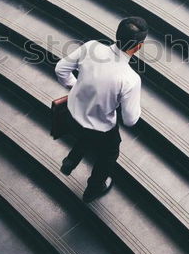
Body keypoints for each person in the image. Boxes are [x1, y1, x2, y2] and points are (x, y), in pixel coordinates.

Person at [54, 17, 148, 202]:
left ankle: (71, 160)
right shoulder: (130, 79)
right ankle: (94, 188)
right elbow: (130, 120)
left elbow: (60, 69)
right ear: (138, 47)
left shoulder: (91, 47)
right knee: (109, 153)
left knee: (85, 135)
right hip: (99, 127)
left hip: (72, 114)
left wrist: (74, 85)